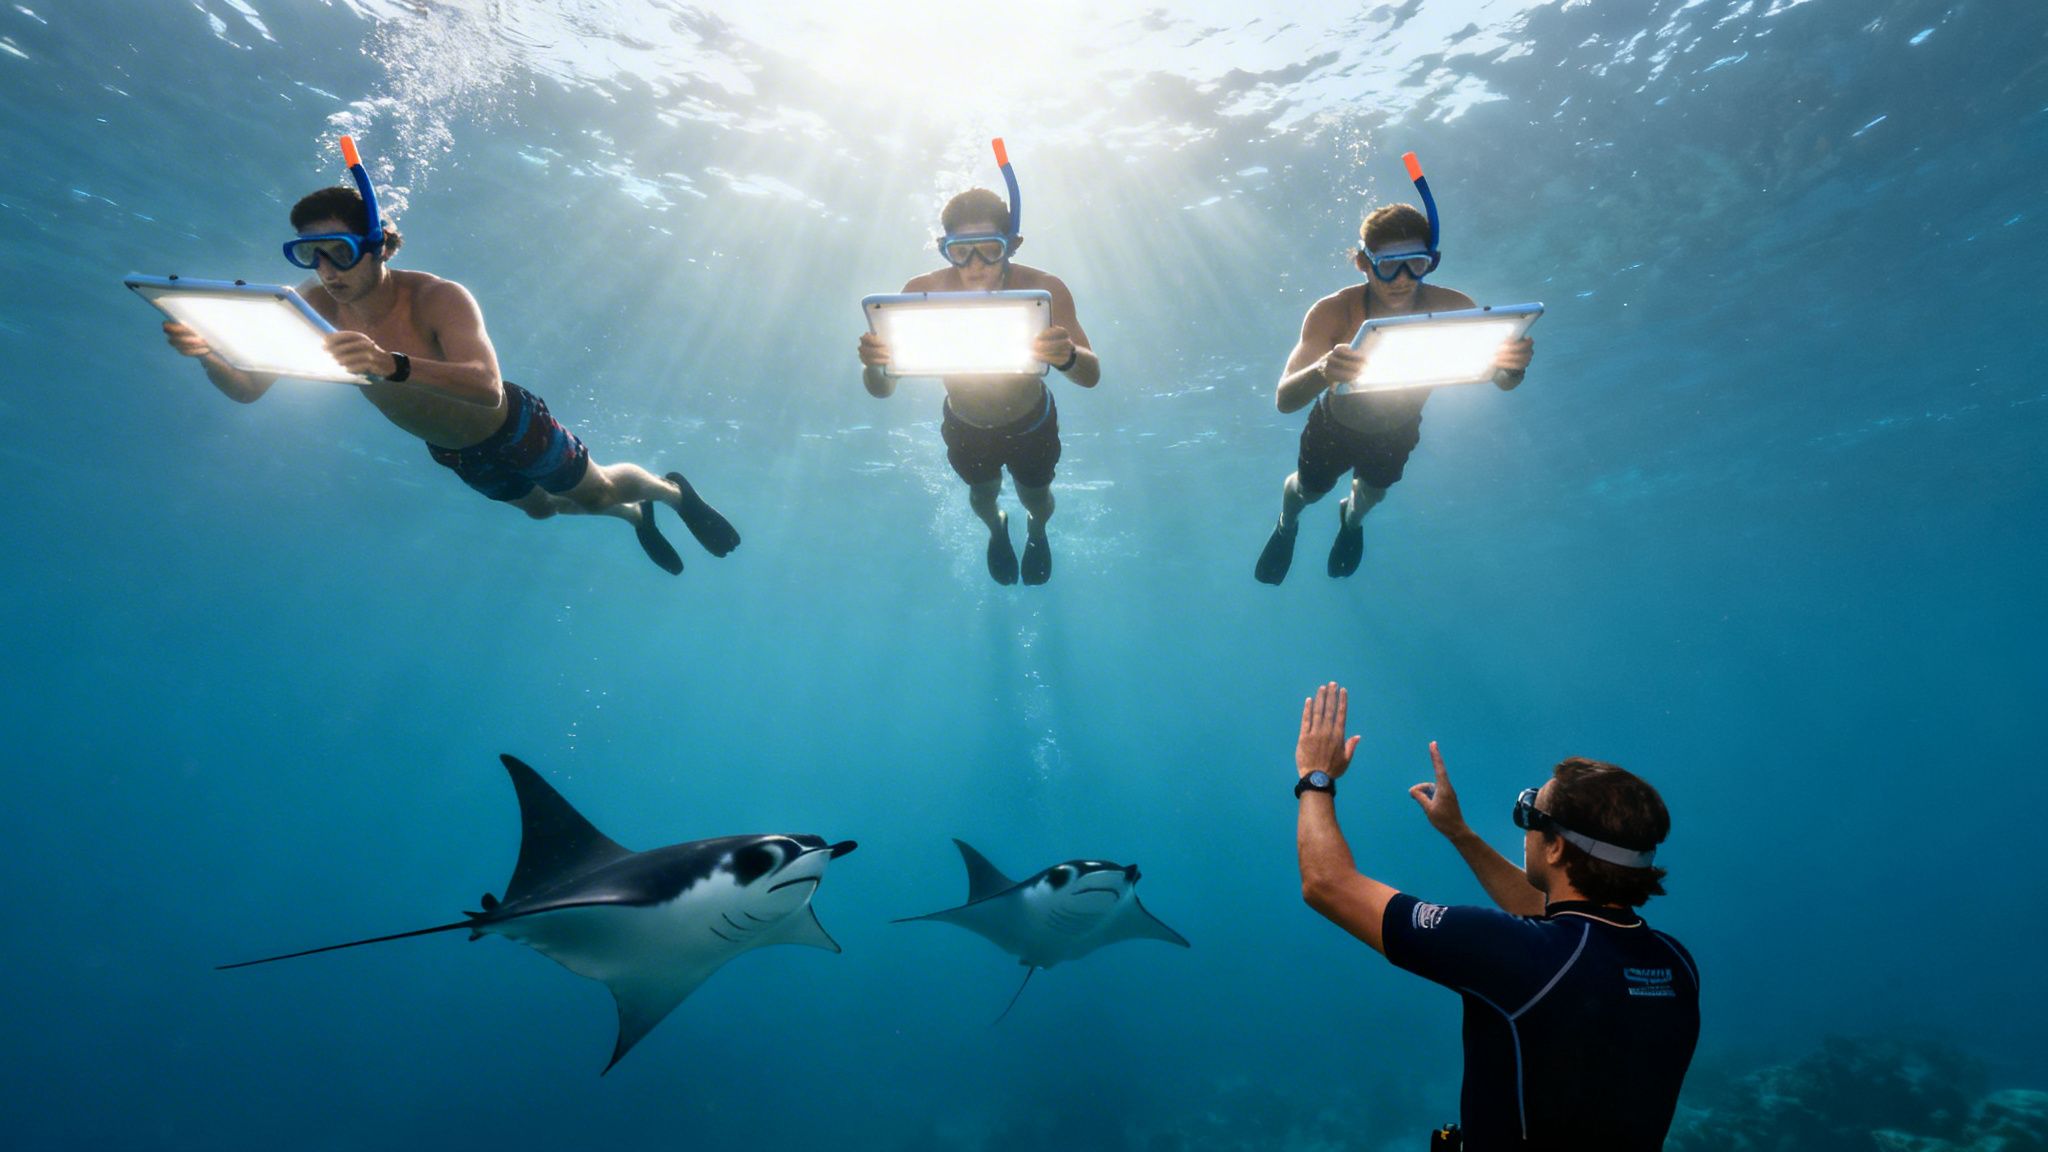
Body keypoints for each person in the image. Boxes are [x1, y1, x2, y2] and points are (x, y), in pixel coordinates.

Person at [161, 139, 738, 576]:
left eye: (339, 252)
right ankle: (637, 517)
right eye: (309, 255)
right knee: (543, 509)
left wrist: (390, 364)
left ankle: (670, 493)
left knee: (599, 491)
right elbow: (248, 389)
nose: (326, 271)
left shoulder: (437, 297)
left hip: (512, 425)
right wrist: (211, 355)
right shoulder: (313, 305)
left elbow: (486, 385)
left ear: (377, 246)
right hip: (451, 450)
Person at [1292, 682, 1699, 1150]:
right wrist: (1459, 834)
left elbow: (1327, 884)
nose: (1524, 830)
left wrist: (1315, 777)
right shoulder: (1675, 964)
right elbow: (1564, 932)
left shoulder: (1513, 952)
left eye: (1529, 815)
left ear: (1556, 847)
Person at [1256, 156, 1535, 584]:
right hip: (1335, 425)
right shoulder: (1333, 312)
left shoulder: (1454, 308)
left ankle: (1351, 520)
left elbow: (1500, 380)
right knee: (1309, 491)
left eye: (1416, 264)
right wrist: (1322, 371)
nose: (1403, 279)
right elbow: (1284, 400)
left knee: (1373, 494)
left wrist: (1510, 368)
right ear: (1363, 263)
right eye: (1389, 266)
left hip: (1398, 428)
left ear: (1431, 261)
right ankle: (1286, 524)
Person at [856, 143, 1097, 586]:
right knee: (983, 495)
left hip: (1031, 420)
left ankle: (1037, 530)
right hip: (965, 423)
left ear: (1011, 245)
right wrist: (874, 365)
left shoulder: (1043, 287)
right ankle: (996, 530)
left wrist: (1066, 356)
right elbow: (883, 389)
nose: (975, 265)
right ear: (943, 249)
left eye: (989, 249)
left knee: (1036, 497)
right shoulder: (922, 291)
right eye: (960, 251)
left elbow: (1090, 376)